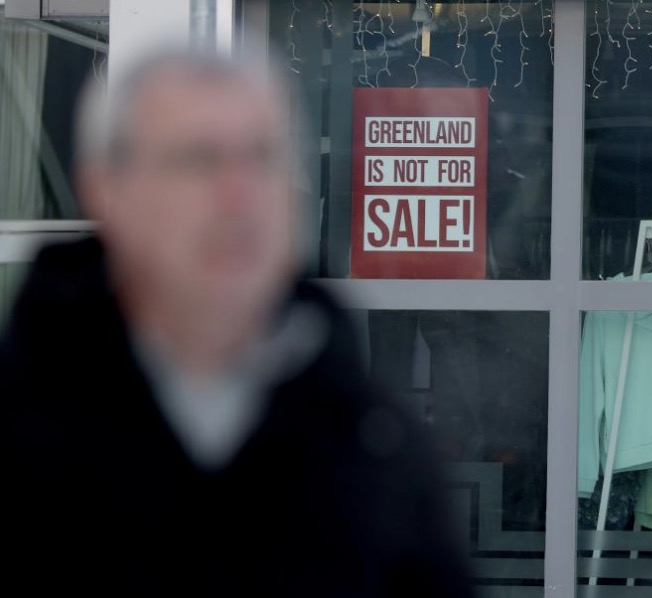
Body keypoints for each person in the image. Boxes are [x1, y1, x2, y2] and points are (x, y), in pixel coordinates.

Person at [0, 49, 473, 596]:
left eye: (264, 157)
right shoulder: (21, 435)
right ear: (107, 189)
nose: (240, 195)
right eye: (200, 160)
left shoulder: (376, 447)